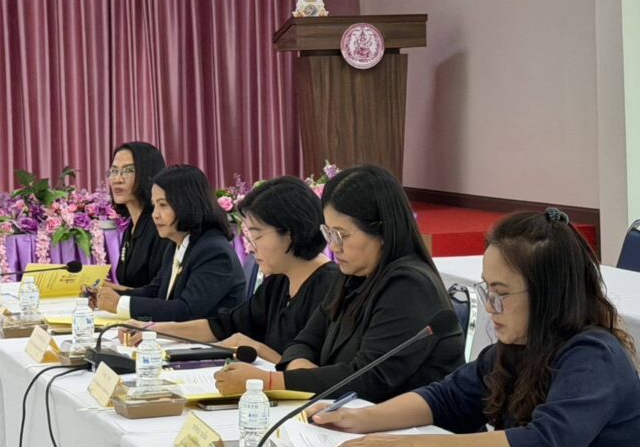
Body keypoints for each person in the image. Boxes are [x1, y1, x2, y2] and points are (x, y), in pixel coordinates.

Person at [311, 208, 640, 447]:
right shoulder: (516, 348)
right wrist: (362, 419)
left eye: (501, 294)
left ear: (549, 295)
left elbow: (544, 445)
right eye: (487, 290)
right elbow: (447, 398)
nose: (490, 306)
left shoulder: (593, 356)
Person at [215, 164, 463, 401]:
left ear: (382, 231)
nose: (333, 247)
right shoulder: (352, 276)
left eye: (342, 235)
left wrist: (271, 382)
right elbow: (303, 342)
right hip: (349, 414)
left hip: (410, 425)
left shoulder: (409, 286)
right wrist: (301, 370)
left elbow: (369, 378)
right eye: (329, 233)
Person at [142, 177, 339, 363]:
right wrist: (153, 329)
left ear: (290, 234)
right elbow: (225, 325)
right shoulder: (279, 281)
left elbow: (319, 375)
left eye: (257, 236)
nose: (251, 248)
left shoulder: (332, 289)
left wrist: (258, 349)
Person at [95, 165, 243, 322]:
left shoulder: (213, 251)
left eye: (163, 205)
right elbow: (156, 291)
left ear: (187, 204)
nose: (155, 215)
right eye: (154, 206)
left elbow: (187, 311)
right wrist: (107, 295)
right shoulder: (177, 244)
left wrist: (120, 304)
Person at [104, 142, 168, 291]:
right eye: (114, 171)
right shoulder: (132, 226)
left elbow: (161, 292)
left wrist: (111, 291)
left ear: (148, 175)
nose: (117, 179)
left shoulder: (160, 224)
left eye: (128, 171)